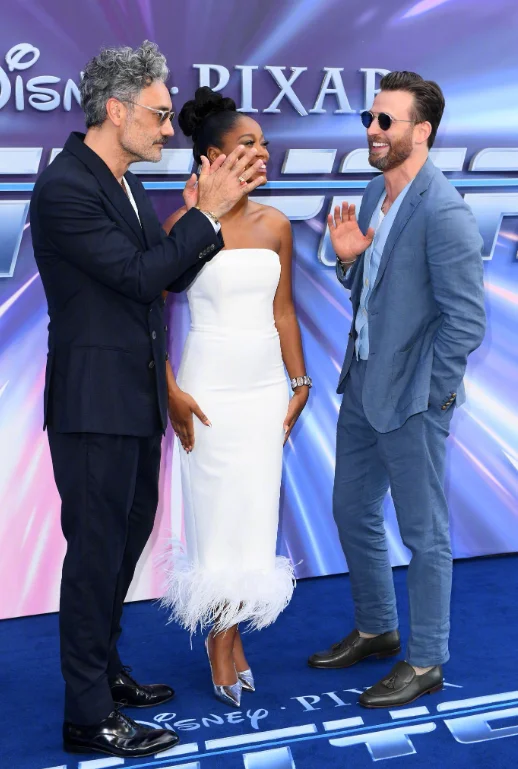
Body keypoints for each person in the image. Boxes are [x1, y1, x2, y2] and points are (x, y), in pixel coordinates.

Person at [30, 42, 264, 758]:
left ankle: (106, 673)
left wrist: (203, 221)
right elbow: (136, 277)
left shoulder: (123, 183)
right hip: (94, 406)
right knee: (95, 558)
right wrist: (206, 215)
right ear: (116, 109)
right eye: (159, 115)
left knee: (120, 550)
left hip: (134, 404)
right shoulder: (66, 185)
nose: (168, 128)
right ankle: (87, 715)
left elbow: (160, 280)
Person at [307, 71, 486, 707]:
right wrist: (349, 260)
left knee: (424, 534)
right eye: (370, 119)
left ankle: (427, 659)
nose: (373, 131)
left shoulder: (445, 212)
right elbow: (373, 294)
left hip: (411, 400)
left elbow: (466, 322)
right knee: (350, 510)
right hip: (362, 385)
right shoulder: (373, 194)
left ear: (422, 131)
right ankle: (377, 628)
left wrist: (430, 394)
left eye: (387, 121)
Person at [161, 87, 310, 708]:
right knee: (215, 518)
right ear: (212, 158)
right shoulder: (183, 227)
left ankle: (234, 632)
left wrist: (300, 383)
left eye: (263, 143)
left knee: (252, 516)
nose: (262, 152)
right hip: (208, 390)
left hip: (264, 391)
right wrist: (169, 388)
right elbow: (146, 313)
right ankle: (220, 641)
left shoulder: (276, 224)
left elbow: (283, 312)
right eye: (248, 143)